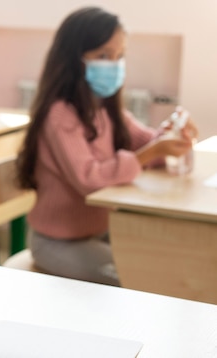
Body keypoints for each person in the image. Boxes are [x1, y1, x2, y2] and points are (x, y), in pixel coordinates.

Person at [15, 7, 197, 286]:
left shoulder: (104, 107)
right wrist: (154, 151)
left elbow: (146, 143)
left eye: (119, 56)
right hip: (57, 242)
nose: (113, 64)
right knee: (145, 277)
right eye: (103, 55)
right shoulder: (60, 114)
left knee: (170, 258)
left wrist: (171, 135)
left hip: (99, 232)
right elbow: (90, 179)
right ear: (73, 58)